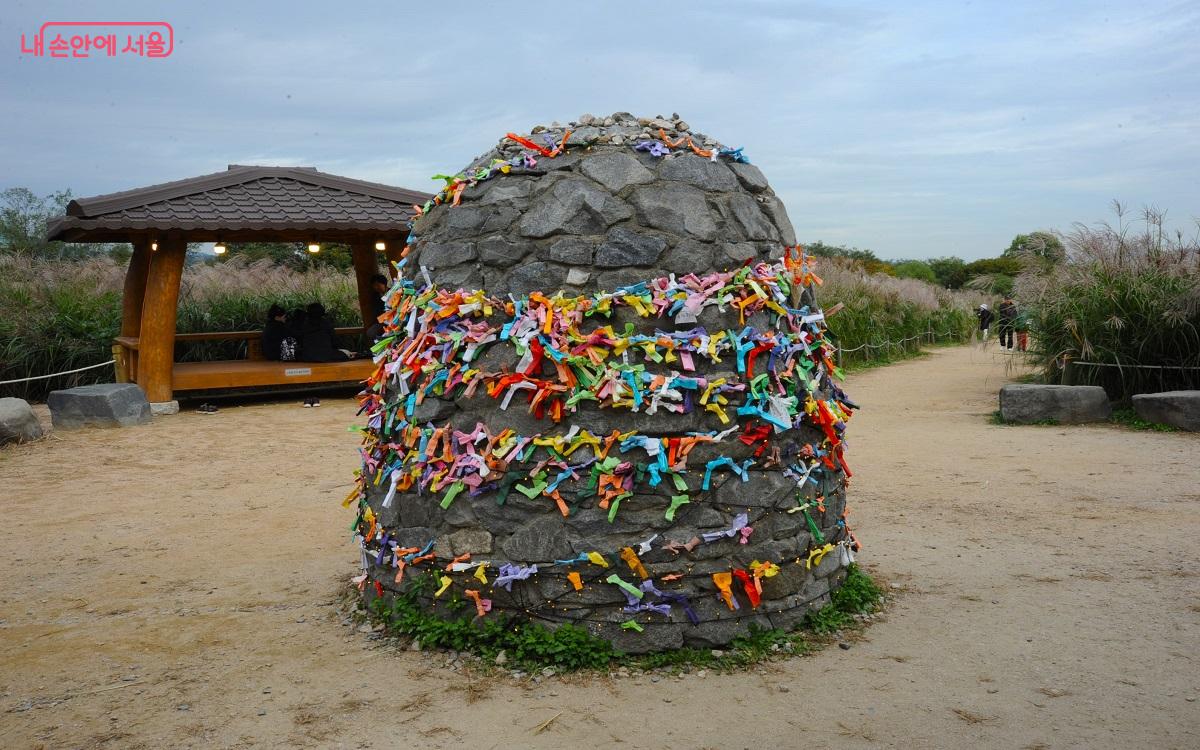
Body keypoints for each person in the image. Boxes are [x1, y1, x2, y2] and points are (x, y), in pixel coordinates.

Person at [365, 273, 389, 341]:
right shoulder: (375, 296)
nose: (376, 287)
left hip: (393, 320)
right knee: (371, 332)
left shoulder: (392, 292)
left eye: (378, 285)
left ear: (384, 283)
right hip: (381, 322)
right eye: (374, 286)